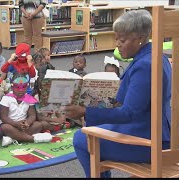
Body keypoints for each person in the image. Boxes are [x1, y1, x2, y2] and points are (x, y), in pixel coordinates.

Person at [63, 9, 172, 178]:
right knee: (93, 130)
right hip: (155, 130)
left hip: (150, 141)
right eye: (116, 39)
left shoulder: (144, 66)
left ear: (141, 38)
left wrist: (85, 111)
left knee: (81, 139)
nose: (117, 44)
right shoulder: (156, 57)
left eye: (122, 40)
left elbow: (129, 113)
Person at [0, 72, 52, 146]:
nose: (21, 90)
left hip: (24, 126)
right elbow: (3, 117)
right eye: (17, 87)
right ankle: (32, 139)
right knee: (5, 127)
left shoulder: (29, 98)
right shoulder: (6, 98)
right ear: (12, 87)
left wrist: (27, 123)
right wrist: (16, 124)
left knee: (38, 124)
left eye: (23, 87)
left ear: (27, 87)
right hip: (10, 124)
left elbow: (32, 115)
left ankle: (14, 138)